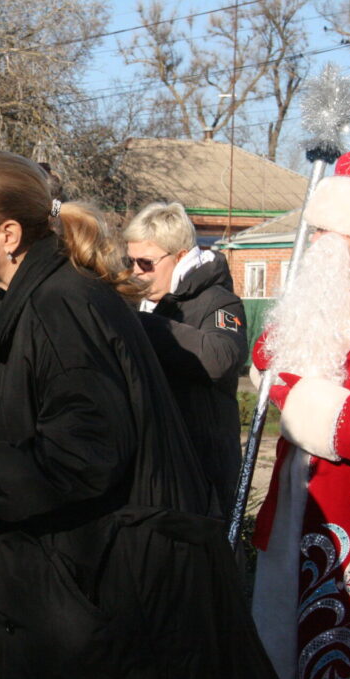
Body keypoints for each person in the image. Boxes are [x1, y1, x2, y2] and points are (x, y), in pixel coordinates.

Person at [0, 151, 275, 679]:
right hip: (81, 579)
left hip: (103, 590)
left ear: (8, 234)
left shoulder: (61, 306)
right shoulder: (30, 295)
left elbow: (82, 455)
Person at [251, 145, 350, 679]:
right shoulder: (337, 294)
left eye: (323, 230)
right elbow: (269, 353)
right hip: (304, 506)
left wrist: (296, 395)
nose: (313, 242)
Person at [124, 202, 247, 512]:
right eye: (131, 261)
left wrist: (146, 325)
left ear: (180, 257)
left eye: (146, 263)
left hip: (201, 470)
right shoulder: (138, 302)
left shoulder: (219, 301)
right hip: (152, 465)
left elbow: (220, 358)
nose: (136, 271)